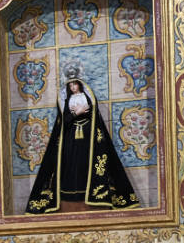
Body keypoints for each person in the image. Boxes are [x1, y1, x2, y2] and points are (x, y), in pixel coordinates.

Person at [25, 75, 139, 213]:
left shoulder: (92, 120)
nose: (73, 88)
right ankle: (69, 196)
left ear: (80, 86)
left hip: (87, 139)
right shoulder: (67, 103)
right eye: (70, 86)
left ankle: (90, 195)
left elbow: (92, 113)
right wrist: (75, 114)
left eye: (75, 85)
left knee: (87, 164)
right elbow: (65, 118)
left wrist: (84, 113)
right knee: (70, 164)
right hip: (70, 139)